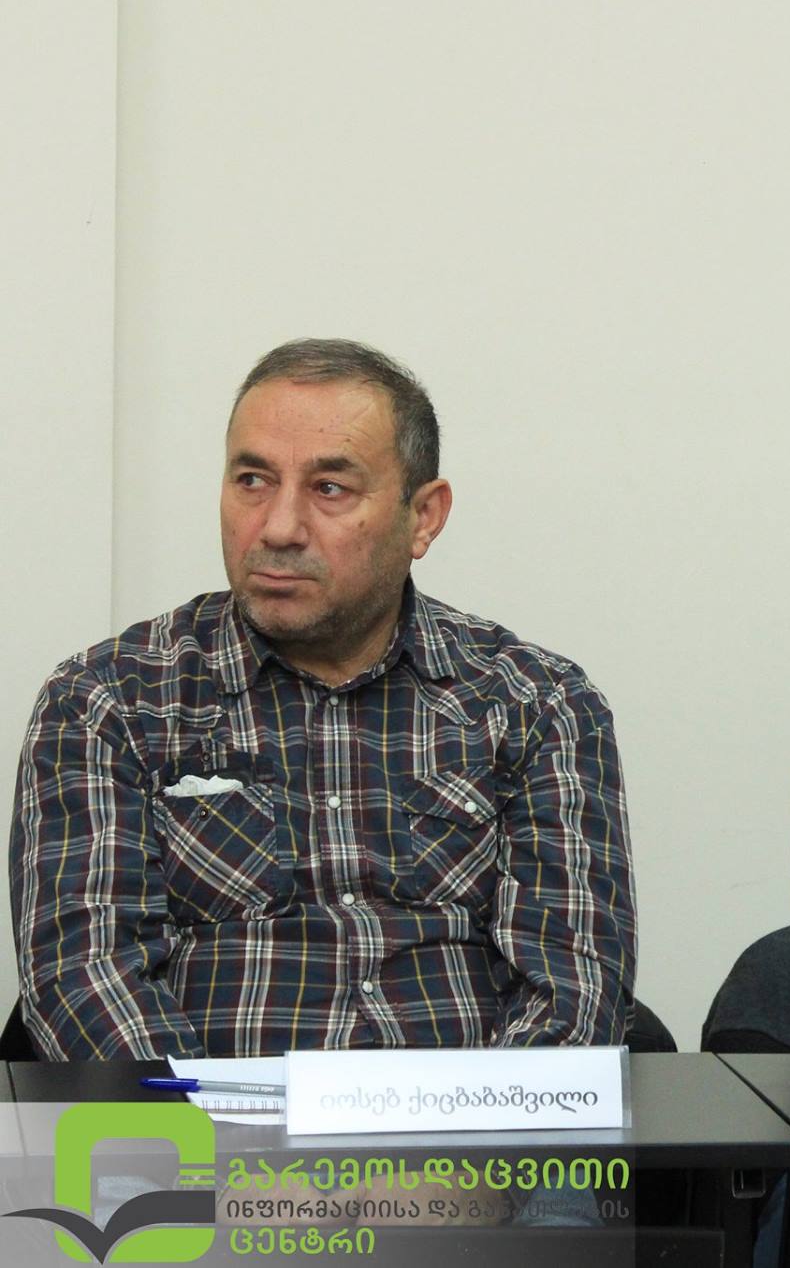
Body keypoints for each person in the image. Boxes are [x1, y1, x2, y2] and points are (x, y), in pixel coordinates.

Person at [11, 339, 636, 1058]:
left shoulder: (536, 703)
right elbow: (85, 984)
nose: (279, 528)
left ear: (423, 516)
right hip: (197, 1124)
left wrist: (472, 1134)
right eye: (252, 480)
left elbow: (574, 992)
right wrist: (216, 1133)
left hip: (472, 1124)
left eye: (329, 488)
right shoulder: (108, 701)